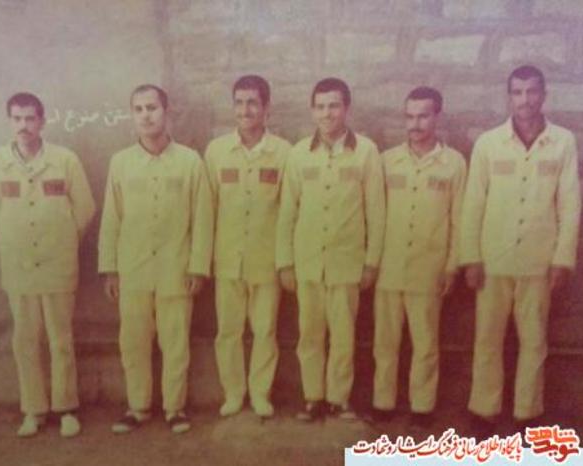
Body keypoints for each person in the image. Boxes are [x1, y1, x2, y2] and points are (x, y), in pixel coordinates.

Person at [460, 65, 581, 436]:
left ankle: (529, 413)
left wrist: (562, 259)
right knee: (487, 338)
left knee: (534, 340)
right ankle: (484, 409)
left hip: (538, 261)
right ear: (509, 96)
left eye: (531, 92)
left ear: (543, 95)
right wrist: (470, 257)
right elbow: (473, 203)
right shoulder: (488, 143)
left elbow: (570, 204)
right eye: (517, 92)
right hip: (493, 259)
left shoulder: (562, 142)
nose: (525, 100)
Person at [98, 84, 213, 434]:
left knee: (175, 342)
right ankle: (138, 407)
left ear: (166, 111)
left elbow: (202, 218)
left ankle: (175, 409)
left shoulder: (190, 161)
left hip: (175, 269)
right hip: (133, 270)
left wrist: (198, 267)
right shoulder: (121, 163)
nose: (146, 116)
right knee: (133, 343)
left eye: (152, 108)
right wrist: (110, 269)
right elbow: (111, 218)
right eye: (138, 109)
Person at [0, 92, 96, 437]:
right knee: (25, 340)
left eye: (30, 118)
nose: (24, 125)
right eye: (17, 118)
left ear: (42, 122)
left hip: (57, 264)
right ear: (9, 122)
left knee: (60, 338)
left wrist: (62, 241)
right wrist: (17, 243)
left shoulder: (65, 160)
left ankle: (66, 408)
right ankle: (33, 410)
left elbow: (85, 208)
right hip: (19, 266)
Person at [276, 77, 385, 421]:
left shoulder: (366, 152)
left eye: (334, 105)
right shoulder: (298, 154)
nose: (327, 113)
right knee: (309, 335)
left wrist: (371, 262)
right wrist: (285, 263)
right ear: (312, 111)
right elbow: (287, 211)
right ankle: (313, 398)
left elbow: (376, 211)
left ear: (346, 108)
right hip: (308, 262)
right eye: (320, 106)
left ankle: (339, 399)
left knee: (343, 336)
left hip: (346, 262)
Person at [370, 87, 467, 428]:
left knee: (425, 342)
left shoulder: (454, 164)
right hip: (389, 266)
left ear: (437, 117)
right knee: (385, 341)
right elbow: (373, 214)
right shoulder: (386, 161)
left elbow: (459, 220)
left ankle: (422, 406)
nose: (415, 123)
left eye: (423, 116)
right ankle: (382, 402)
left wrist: (452, 266)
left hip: (429, 268)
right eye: (409, 116)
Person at [204, 75, 291, 418]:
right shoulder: (216, 151)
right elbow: (207, 208)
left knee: (265, 330)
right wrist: (205, 259)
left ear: (266, 107)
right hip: (227, 258)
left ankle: (260, 393)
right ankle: (233, 393)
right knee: (228, 331)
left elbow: (288, 210)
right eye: (239, 103)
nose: (245, 110)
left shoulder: (283, 153)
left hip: (266, 259)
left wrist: (284, 261)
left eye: (252, 102)